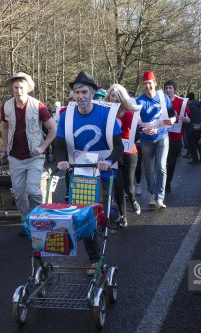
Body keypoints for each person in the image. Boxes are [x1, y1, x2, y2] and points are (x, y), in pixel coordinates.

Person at [55, 71, 123, 271]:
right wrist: (61, 161)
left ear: (92, 93)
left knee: (103, 211)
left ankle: (112, 211)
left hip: (103, 171)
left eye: (84, 92)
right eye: (77, 92)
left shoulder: (106, 114)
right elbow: (59, 144)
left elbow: (118, 146)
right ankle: (94, 259)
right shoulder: (67, 115)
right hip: (78, 172)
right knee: (86, 216)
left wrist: (109, 161)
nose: (80, 96)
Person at [0, 72, 57, 233]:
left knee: (33, 190)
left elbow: (53, 129)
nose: (18, 91)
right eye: (16, 87)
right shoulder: (6, 106)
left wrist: (43, 147)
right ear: (12, 89)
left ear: (28, 89)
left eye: (21, 88)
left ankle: (40, 220)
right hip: (15, 157)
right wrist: (5, 148)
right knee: (19, 194)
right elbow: (4, 128)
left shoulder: (38, 106)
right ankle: (28, 222)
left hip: (34, 156)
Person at [136, 71, 176, 209]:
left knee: (161, 166)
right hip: (146, 139)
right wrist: (143, 130)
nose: (147, 86)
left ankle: (159, 198)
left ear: (155, 82)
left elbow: (173, 115)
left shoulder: (163, 97)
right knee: (148, 169)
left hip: (162, 136)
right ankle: (151, 193)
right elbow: (136, 124)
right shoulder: (139, 101)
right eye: (145, 83)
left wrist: (171, 121)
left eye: (150, 83)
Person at [104, 84, 141, 225]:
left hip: (128, 153)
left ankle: (132, 199)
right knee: (118, 186)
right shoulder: (104, 112)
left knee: (129, 187)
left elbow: (135, 135)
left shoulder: (128, 113)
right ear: (108, 97)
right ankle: (123, 217)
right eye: (112, 96)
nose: (114, 99)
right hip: (112, 154)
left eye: (117, 97)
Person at [163, 80, 191, 193]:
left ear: (174, 90)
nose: (168, 90)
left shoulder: (181, 102)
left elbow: (188, 119)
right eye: (166, 88)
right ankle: (162, 183)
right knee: (161, 162)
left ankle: (167, 182)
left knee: (171, 162)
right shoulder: (161, 102)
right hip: (162, 136)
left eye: (170, 88)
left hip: (175, 137)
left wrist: (185, 119)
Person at [186, 92, 201, 165]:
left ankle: (195, 159)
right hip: (199, 126)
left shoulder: (190, 106)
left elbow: (188, 118)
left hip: (192, 127)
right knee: (199, 144)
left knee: (192, 145)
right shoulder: (199, 104)